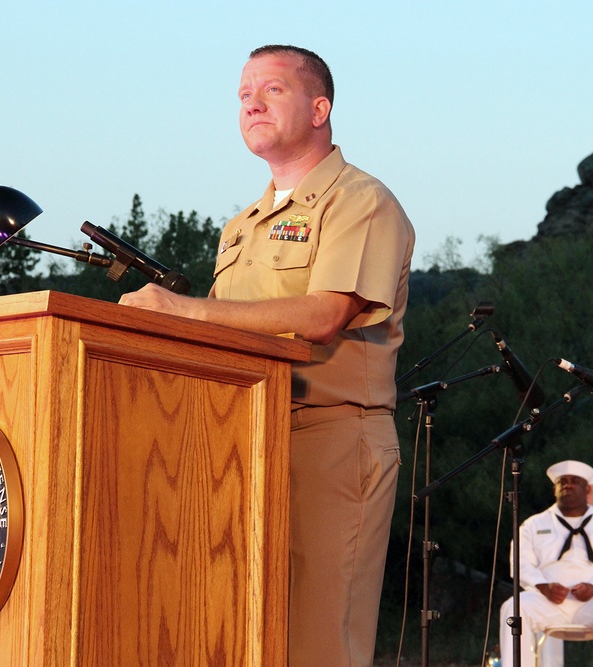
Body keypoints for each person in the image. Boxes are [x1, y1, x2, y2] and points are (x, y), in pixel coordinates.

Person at [118, 45, 415, 667]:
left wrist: (183, 310)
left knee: (316, 645)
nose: (250, 101)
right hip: (237, 443)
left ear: (319, 108)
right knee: (239, 636)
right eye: (242, 94)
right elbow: (224, 336)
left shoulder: (361, 201)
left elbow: (324, 314)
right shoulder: (240, 228)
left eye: (271, 89)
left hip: (330, 439)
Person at [498, 460, 593, 667]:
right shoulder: (534, 524)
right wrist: (543, 586)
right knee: (513, 608)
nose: (568, 485)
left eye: (575, 481)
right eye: (562, 482)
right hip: (548, 599)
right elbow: (520, 563)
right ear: (554, 489)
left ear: (587, 489)